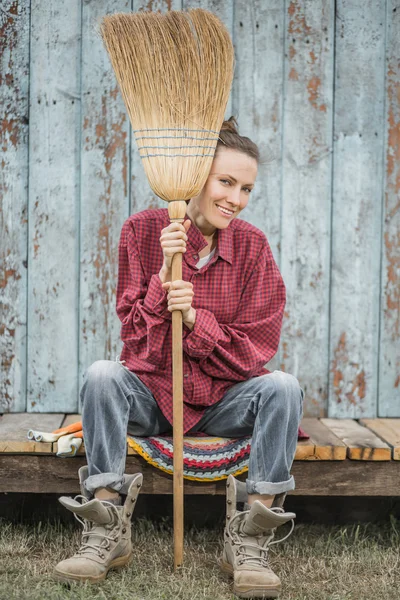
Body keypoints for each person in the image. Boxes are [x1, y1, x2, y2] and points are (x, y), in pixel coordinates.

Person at [54, 117, 304, 598]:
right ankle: (107, 525)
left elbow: (255, 351)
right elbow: (135, 342)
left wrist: (194, 320)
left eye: (246, 188)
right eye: (226, 182)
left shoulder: (252, 248)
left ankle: (250, 536)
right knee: (103, 374)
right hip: (155, 394)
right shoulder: (144, 231)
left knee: (282, 386)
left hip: (221, 400)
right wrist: (163, 278)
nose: (236, 198)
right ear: (195, 178)